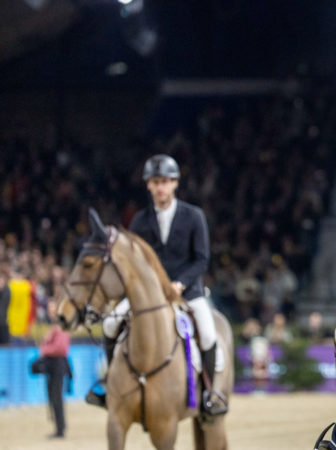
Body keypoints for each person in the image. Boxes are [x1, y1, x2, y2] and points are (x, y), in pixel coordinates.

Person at [91, 154, 226, 416]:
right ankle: (111, 386)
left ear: (175, 183)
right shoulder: (140, 221)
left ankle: (209, 394)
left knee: (208, 333)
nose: (160, 187)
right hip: (149, 295)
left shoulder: (194, 216)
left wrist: (180, 285)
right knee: (109, 324)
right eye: (155, 182)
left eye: (165, 181)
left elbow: (201, 260)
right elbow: (136, 263)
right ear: (148, 186)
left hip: (187, 293)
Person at [40, 301, 71, 439]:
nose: (50, 311)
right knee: (53, 397)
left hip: (57, 363)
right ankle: (59, 427)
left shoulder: (61, 326)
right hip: (52, 364)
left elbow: (61, 348)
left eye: (53, 309)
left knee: (56, 397)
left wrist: (45, 349)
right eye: (49, 309)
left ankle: (60, 429)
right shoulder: (54, 327)